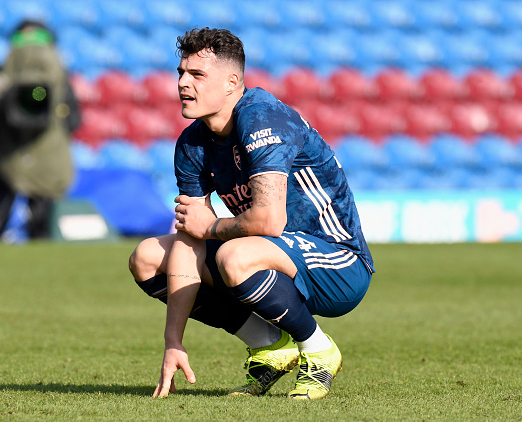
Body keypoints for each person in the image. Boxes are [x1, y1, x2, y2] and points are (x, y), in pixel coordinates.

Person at [128, 27, 374, 400]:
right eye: (181, 72)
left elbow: (269, 222)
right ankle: (270, 345)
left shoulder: (263, 118)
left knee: (233, 255)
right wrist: (173, 341)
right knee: (147, 257)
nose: (182, 83)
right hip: (269, 254)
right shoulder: (192, 143)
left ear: (232, 82)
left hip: (339, 263)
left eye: (197, 74)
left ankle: (318, 348)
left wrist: (211, 226)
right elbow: (191, 241)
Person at [0, 20, 81, 240]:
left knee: (41, 217)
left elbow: (72, 118)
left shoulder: (60, 81)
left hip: (47, 155)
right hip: (8, 154)